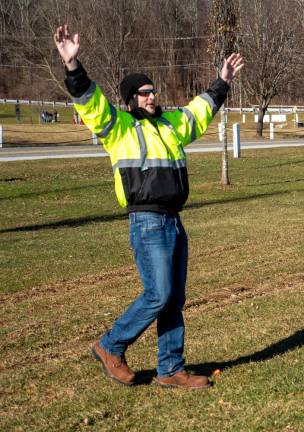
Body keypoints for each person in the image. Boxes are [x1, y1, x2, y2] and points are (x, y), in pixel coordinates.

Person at [54, 24, 244, 389]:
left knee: (174, 299)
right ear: (129, 100)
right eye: (142, 94)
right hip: (146, 222)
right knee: (158, 294)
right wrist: (73, 66)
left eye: (152, 91)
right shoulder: (118, 126)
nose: (150, 97)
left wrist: (222, 81)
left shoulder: (171, 124)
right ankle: (111, 346)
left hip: (173, 222)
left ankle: (171, 369)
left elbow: (200, 110)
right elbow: (90, 102)